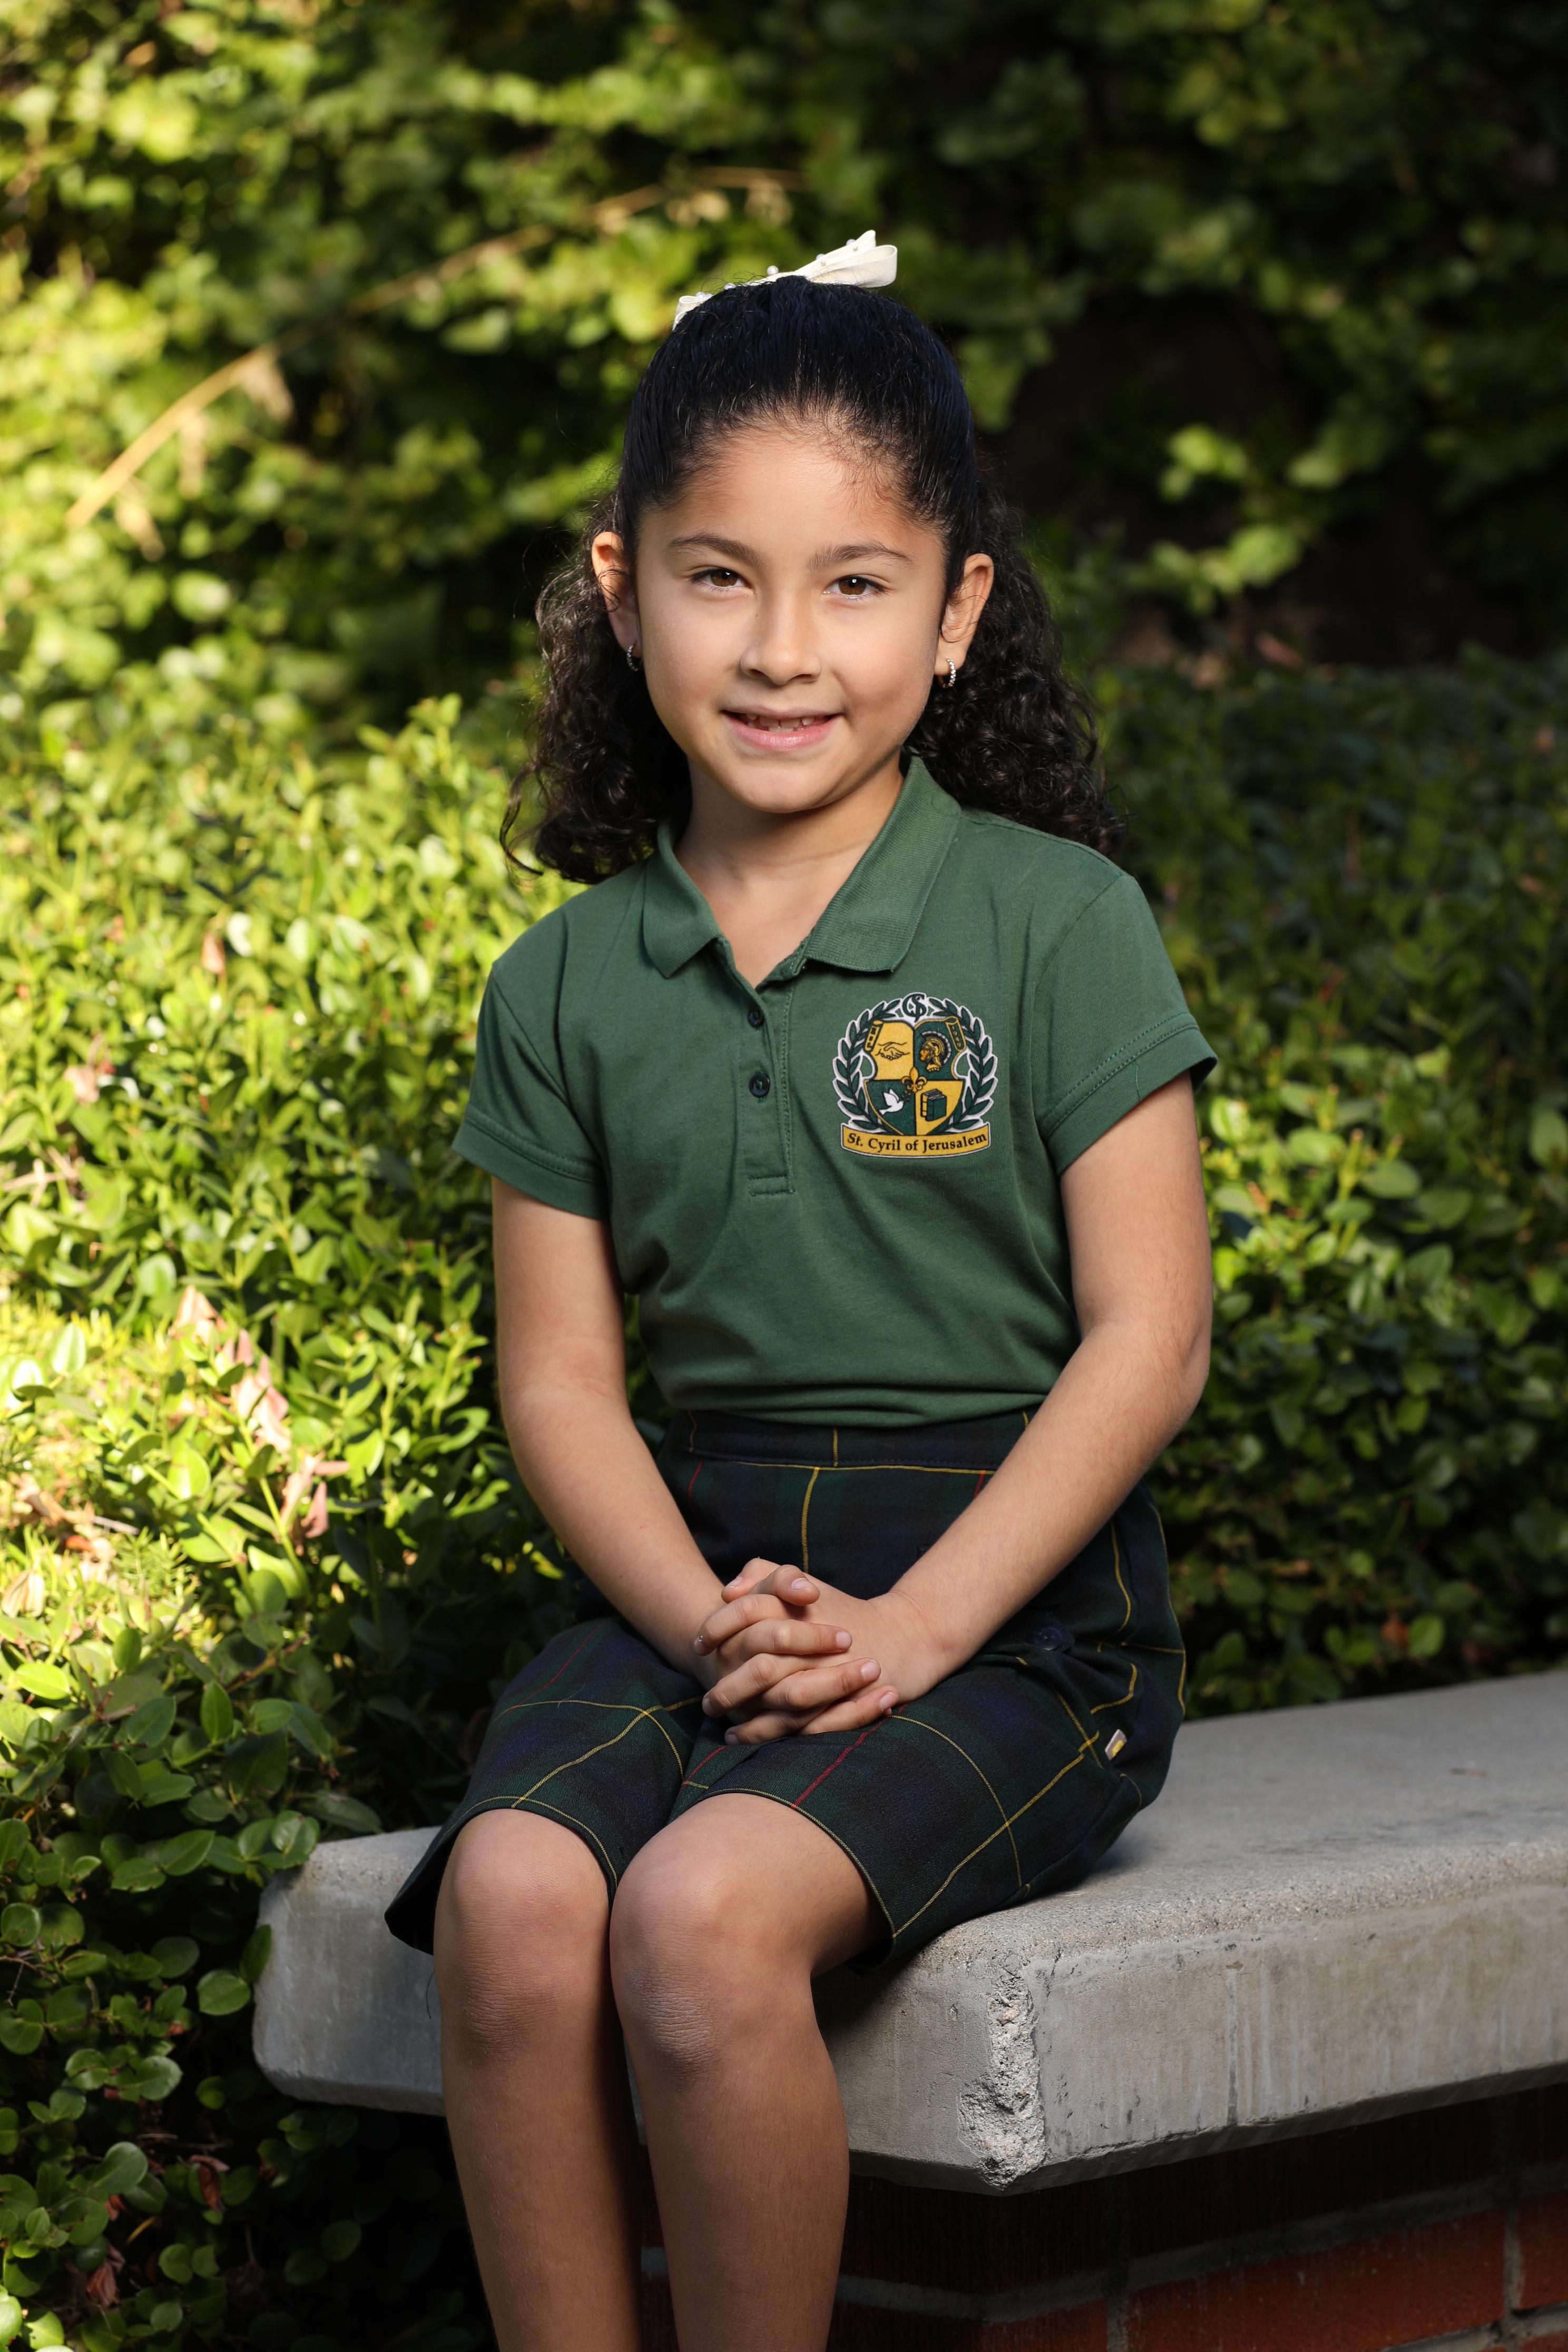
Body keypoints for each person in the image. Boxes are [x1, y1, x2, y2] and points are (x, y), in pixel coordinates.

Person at [385, 240, 1215, 2352]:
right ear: (622, 587)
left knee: (696, 1919)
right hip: (706, 1581)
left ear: (956, 612)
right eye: (718, 577)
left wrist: (917, 1626)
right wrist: (705, 1619)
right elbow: (561, 1387)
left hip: (1015, 1620)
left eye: (854, 584)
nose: (781, 648)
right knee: (510, 1901)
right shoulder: (563, 983)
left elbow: (1153, 1339)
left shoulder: (1057, 924)